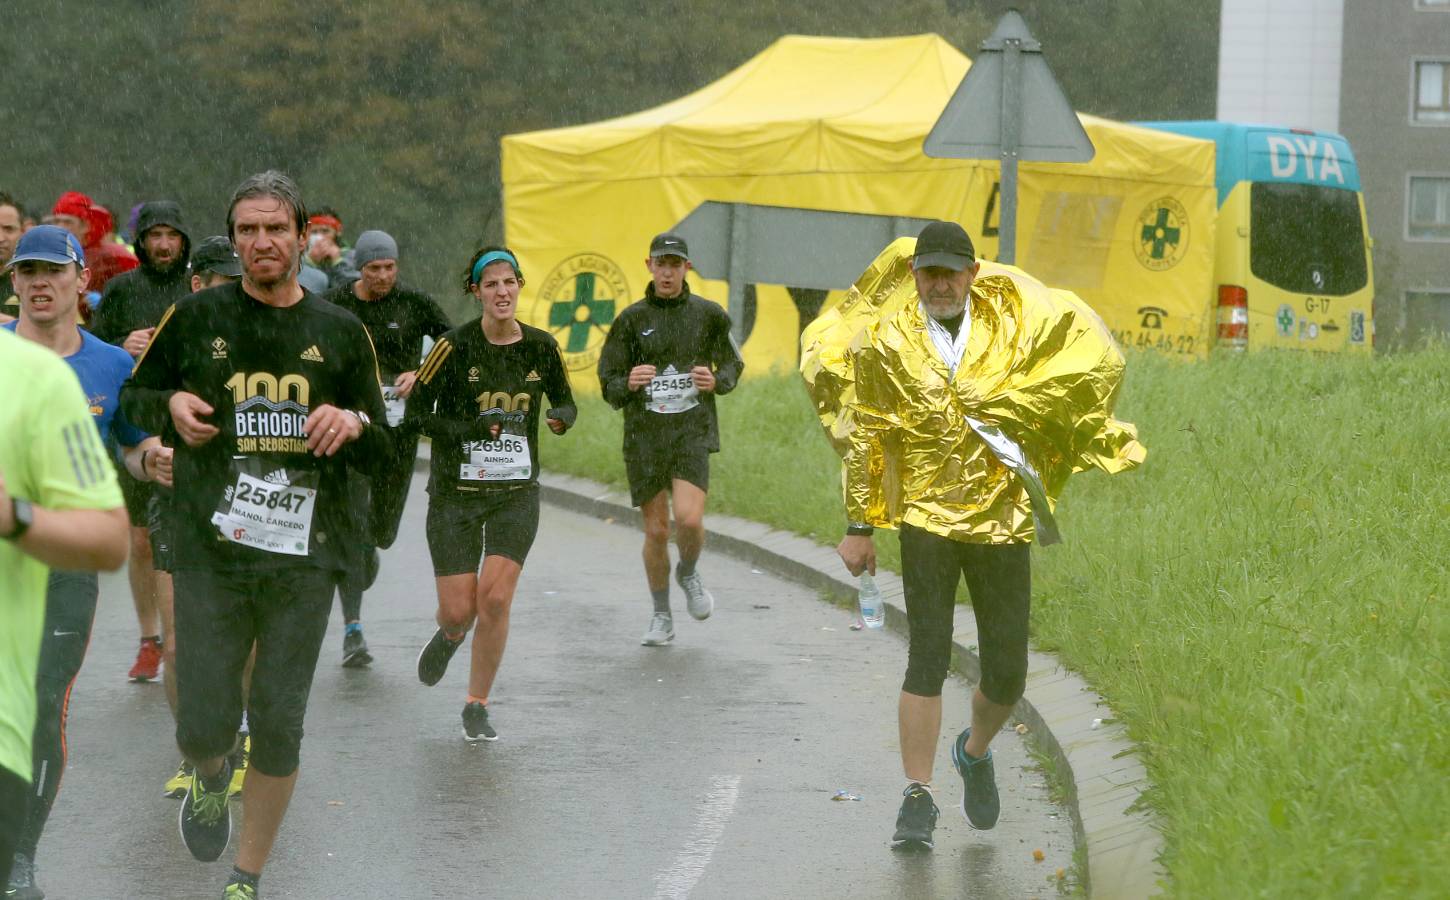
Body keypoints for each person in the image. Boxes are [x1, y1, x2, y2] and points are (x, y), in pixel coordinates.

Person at [805, 220, 1143, 850]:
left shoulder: (1012, 330)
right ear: (914, 276)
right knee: (927, 653)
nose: (940, 284)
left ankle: (975, 749)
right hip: (926, 518)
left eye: (951, 272)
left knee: (1008, 672)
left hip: (1001, 517)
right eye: (929, 272)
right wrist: (859, 527)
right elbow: (870, 437)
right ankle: (917, 795)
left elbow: (1070, 373)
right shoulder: (884, 344)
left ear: (972, 274)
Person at [121, 171, 391, 900]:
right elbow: (133, 397)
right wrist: (169, 399)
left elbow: (386, 442)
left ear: (304, 238)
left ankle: (247, 877)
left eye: (276, 229)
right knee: (203, 725)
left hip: (304, 559)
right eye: (247, 230)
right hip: (212, 551)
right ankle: (211, 778)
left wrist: (356, 421)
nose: (261, 243)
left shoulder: (339, 332)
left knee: (278, 719)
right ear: (234, 239)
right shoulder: (197, 317)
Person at [3, 224, 172, 899]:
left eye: (52, 271)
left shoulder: (111, 366)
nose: (39, 283)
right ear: (13, 282)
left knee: (43, 707)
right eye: (26, 272)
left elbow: (130, 445)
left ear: (81, 281)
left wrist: (150, 457)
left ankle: (21, 856)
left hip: (65, 563)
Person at [408, 246, 575, 742]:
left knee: (496, 599)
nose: (502, 292)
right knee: (460, 609)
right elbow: (415, 416)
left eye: (510, 282)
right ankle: (452, 634)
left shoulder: (542, 347)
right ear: (475, 291)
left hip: (515, 492)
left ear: (520, 286)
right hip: (456, 493)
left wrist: (562, 418)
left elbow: (564, 399)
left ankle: (476, 704)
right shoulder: (452, 347)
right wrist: (467, 429)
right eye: (491, 284)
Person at [596, 232, 743, 646]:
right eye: (661, 263)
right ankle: (661, 615)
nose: (667, 271)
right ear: (648, 265)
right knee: (658, 531)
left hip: (690, 432)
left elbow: (733, 362)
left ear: (686, 269)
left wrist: (717, 380)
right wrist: (628, 381)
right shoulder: (630, 320)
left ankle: (689, 572)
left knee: (690, 521)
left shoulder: (708, 315)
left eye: (675, 264)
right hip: (644, 438)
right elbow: (607, 381)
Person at [323, 229, 451, 666]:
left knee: (380, 532)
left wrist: (421, 373)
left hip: (398, 434)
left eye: (389, 267)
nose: (382, 276)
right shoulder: (338, 303)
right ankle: (353, 630)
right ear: (360, 267)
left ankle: (365, 556)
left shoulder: (413, 303)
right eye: (374, 268)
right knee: (354, 523)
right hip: (353, 430)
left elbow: (454, 342)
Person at [157, 235, 255, 804]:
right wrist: (151, 450)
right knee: (181, 646)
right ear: (198, 284)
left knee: (245, 644)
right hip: (178, 500)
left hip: (246, 498)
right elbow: (133, 401)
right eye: (223, 283)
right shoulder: (170, 335)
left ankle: (242, 741)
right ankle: (198, 757)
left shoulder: (271, 335)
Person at [91, 200, 193, 685]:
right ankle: (150, 639)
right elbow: (93, 346)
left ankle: (188, 632)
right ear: (142, 241)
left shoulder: (197, 289)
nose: (164, 244)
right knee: (142, 539)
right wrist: (123, 344)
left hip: (188, 421)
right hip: (134, 423)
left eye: (172, 235)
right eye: (155, 236)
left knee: (194, 533)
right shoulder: (120, 289)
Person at [49, 191, 137, 298]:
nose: (60, 227)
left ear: (85, 226)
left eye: (68, 222)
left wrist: (102, 303)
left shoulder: (112, 257)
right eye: (56, 221)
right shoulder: (47, 255)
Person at [301, 206, 357, 291]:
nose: (320, 237)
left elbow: (353, 290)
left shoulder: (352, 256)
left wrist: (337, 262)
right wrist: (310, 262)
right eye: (314, 232)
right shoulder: (299, 258)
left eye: (325, 231)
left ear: (338, 231)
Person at [0, 192, 23, 322]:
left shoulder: (35, 282)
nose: (1, 238)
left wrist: (12, 327)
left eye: (8, 229)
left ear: (22, 232)